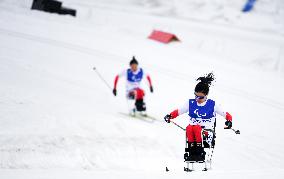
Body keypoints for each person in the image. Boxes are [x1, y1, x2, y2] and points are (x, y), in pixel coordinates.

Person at [164, 72, 232, 161]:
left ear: (206, 95)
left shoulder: (212, 105)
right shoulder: (190, 103)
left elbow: (227, 115)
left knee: (195, 127)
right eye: (195, 96)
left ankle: (200, 153)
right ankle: (192, 153)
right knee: (189, 128)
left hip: (207, 133)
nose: (197, 99)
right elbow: (179, 111)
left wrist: (229, 121)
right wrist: (170, 116)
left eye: (200, 97)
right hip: (192, 131)